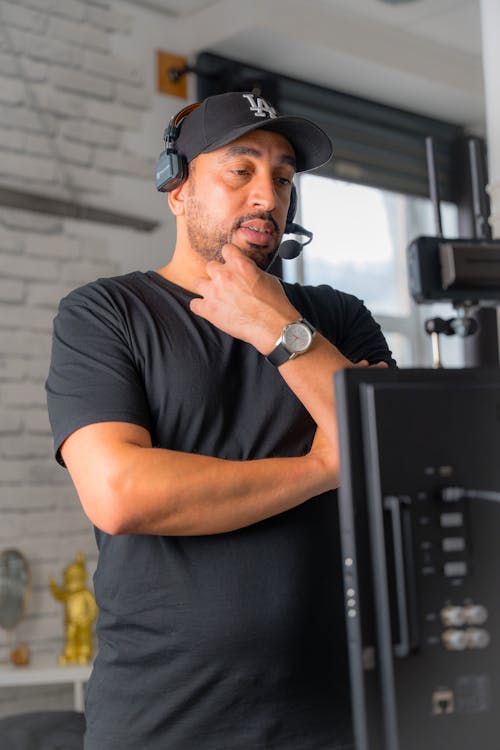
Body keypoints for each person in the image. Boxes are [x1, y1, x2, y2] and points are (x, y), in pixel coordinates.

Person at [46, 90, 395, 750]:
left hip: (335, 713)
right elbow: (120, 495)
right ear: (175, 187)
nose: (268, 195)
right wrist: (324, 466)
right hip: (162, 718)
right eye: (242, 170)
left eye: (284, 177)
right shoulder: (106, 315)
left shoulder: (338, 318)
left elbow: (391, 459)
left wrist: (278, 327)